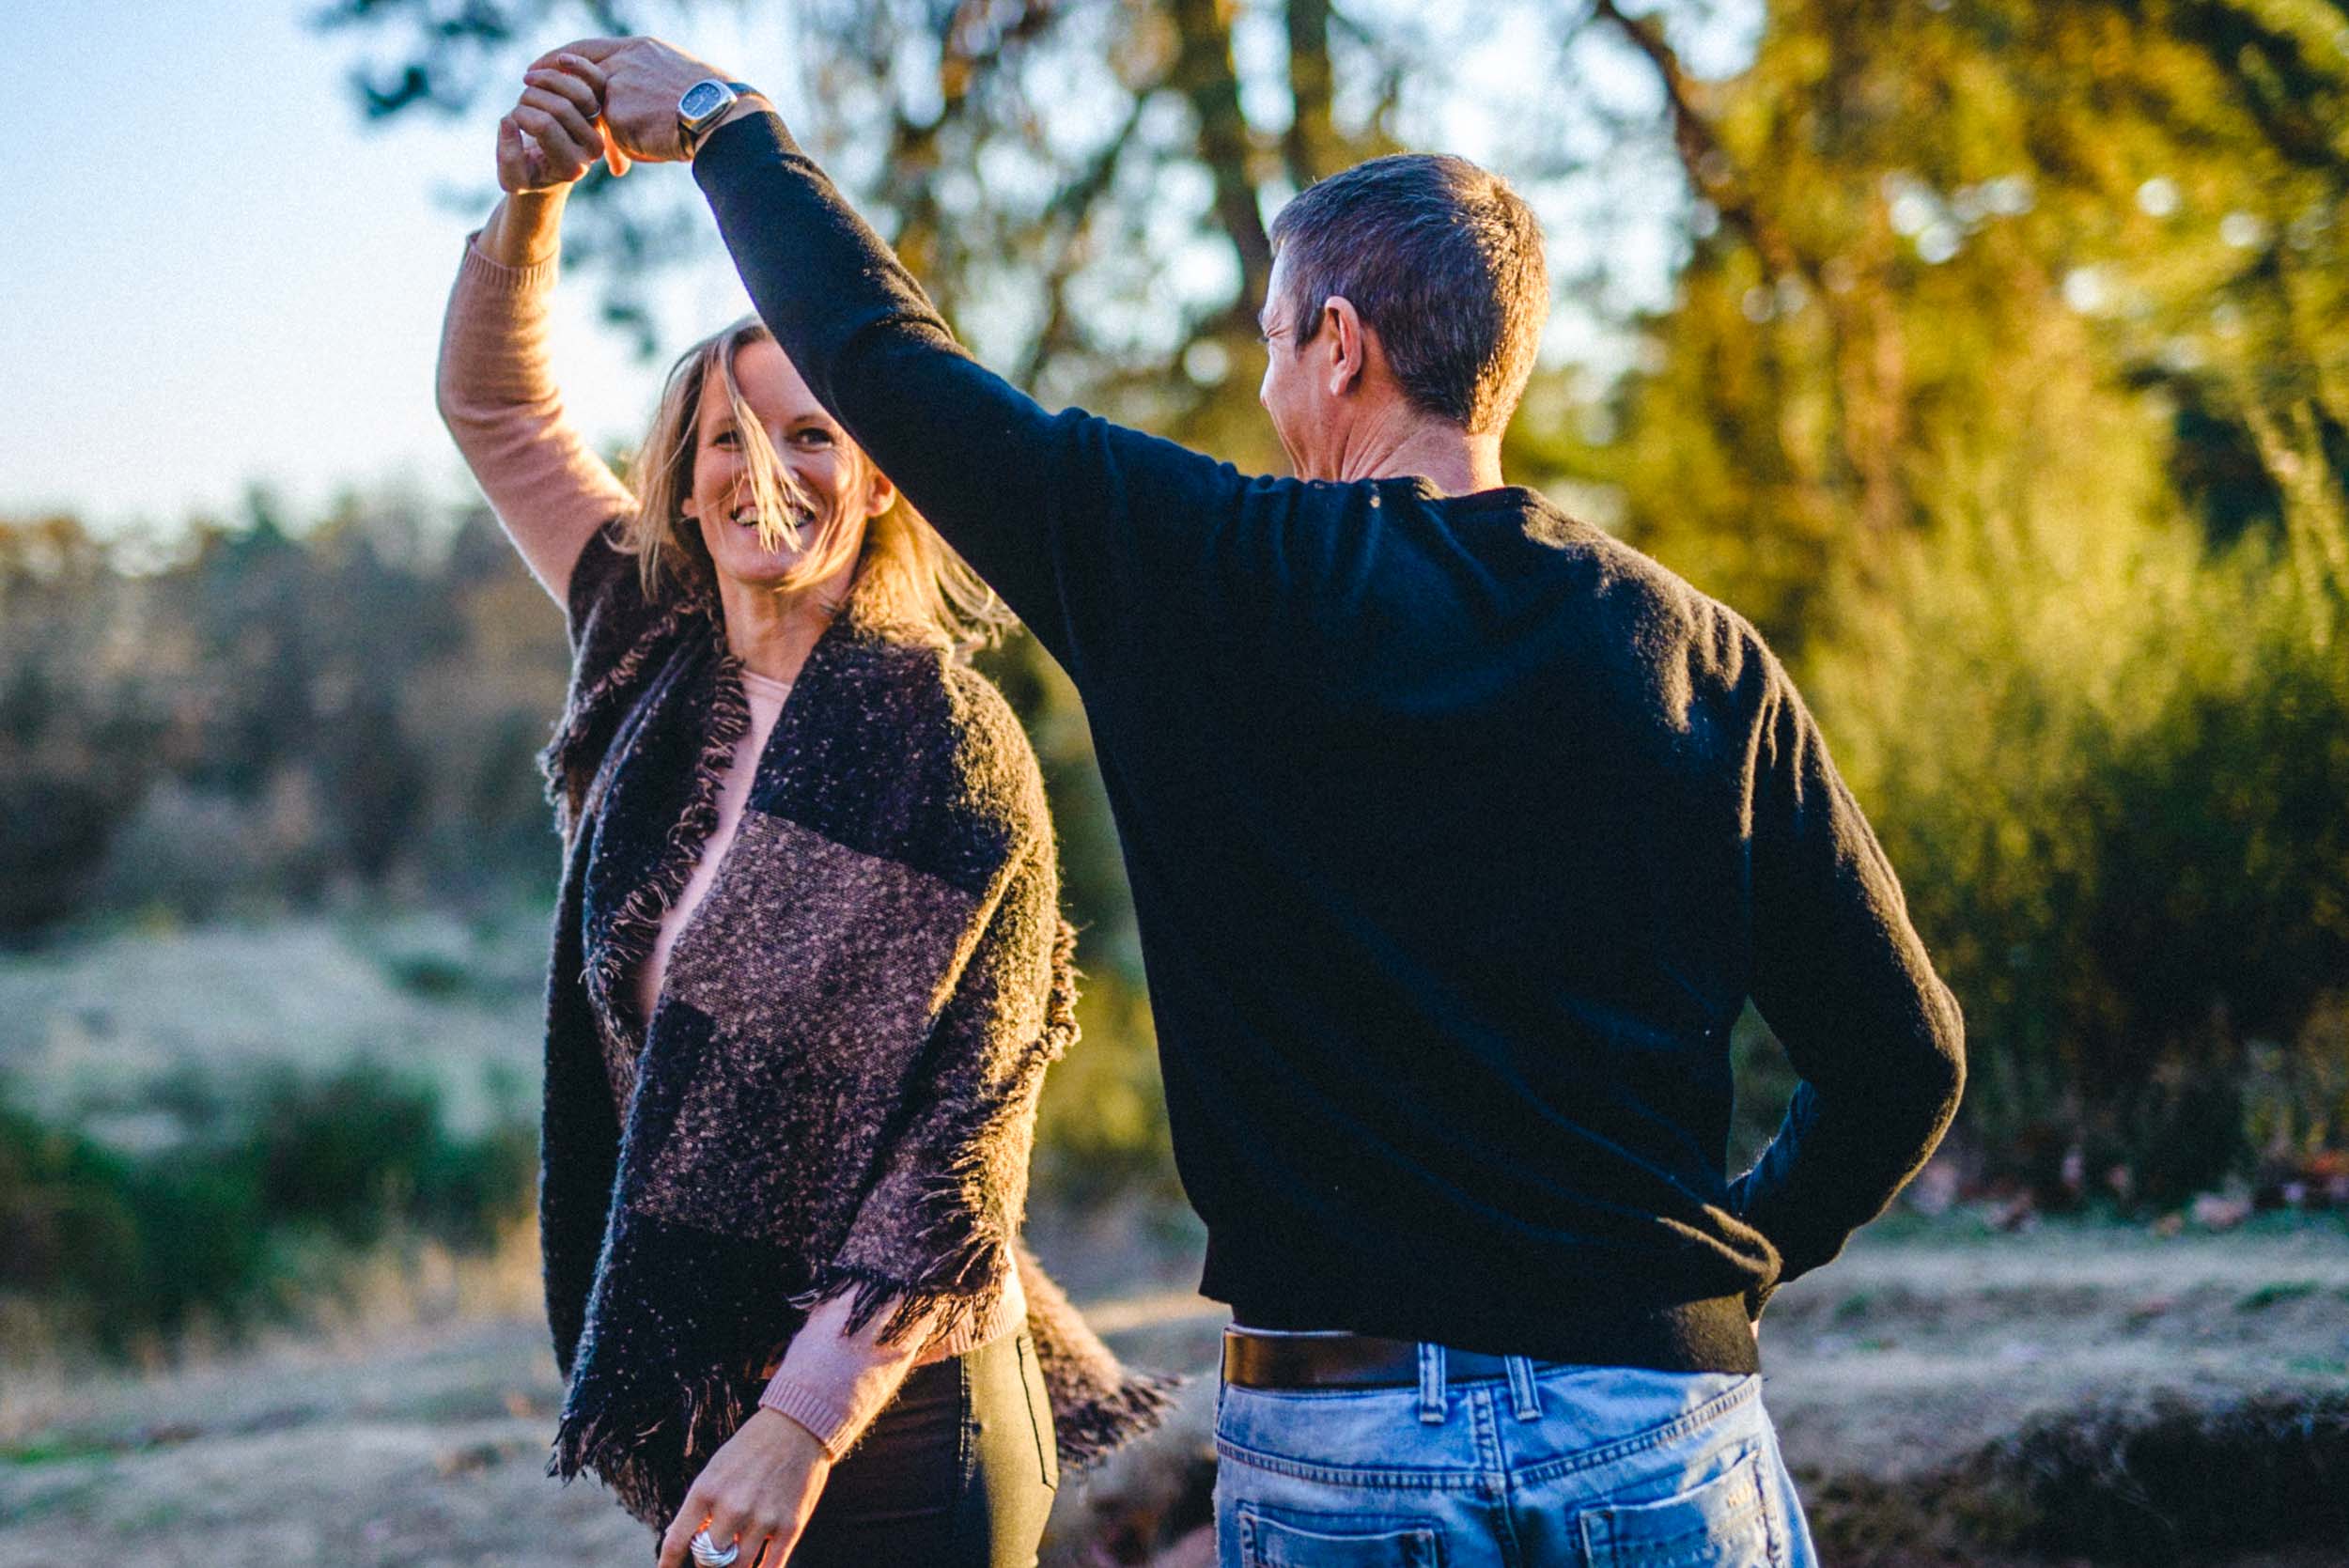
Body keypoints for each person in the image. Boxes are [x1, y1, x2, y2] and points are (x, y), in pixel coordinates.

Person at [554, 38, 1968, 1567]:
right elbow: (1905, 1060)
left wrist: (726, 128)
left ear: (1343, 344)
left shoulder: (1208, 576)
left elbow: (885, 363)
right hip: (1659, 1425)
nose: (1272, 380)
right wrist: (1716, 1269)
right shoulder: (1702, 659)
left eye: (1278, 342)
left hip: (1343, 1434)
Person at [435, 56, 1168, 1568]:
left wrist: (802, 1418)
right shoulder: (644, 645)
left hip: (894, 1404)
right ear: (683, 487)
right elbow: (494, 405)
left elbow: (964, 1141)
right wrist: (529, 205)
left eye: (815, 431)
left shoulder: (945, 742)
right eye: (726, 437)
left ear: (885, 481)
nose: (766, 466)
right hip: (708, 1373)